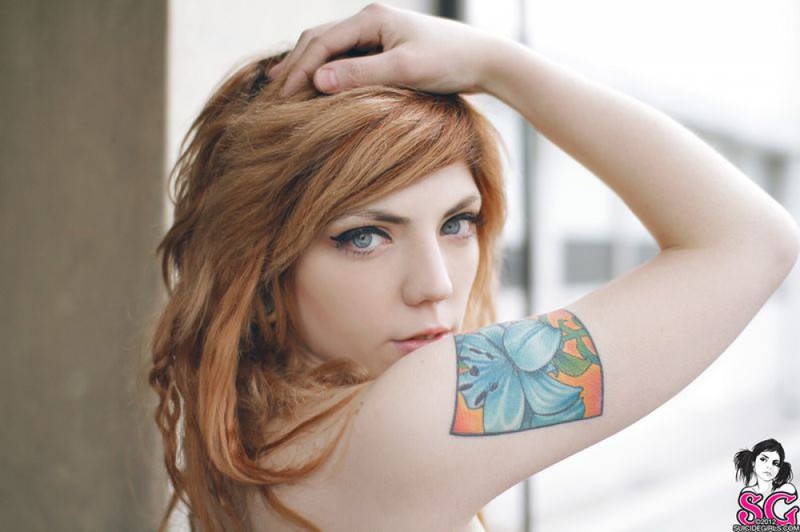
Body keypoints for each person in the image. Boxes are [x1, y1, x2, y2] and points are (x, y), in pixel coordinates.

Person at [148, 4, 800, 531]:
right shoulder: (404, 423)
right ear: (264, 268)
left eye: (457, 223)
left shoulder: (251, 437)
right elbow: (751, 240)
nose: (434, 285)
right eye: (365, 237)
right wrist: (495, 65)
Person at [734, 439, 798, 524]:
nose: (769, 466)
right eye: (763, 459)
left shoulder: (786, 489)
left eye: (775, 463)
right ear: (753, 462)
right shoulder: (748, 493)